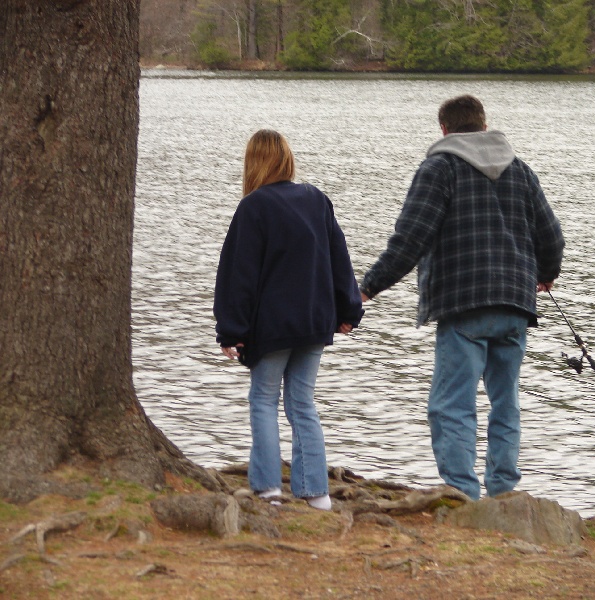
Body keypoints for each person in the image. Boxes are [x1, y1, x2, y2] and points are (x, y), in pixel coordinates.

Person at [360, 95, 565, 501]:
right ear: (484, 125)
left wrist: (367, 287)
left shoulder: (440, 167)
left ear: (444, 130)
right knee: (505, 404)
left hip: (463, 305)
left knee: (452, 406)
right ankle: (504, 492)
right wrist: (545, 275)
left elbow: (410, 239)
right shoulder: (520, 170)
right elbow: (552, 237)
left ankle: (461, 496)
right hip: (515, 305)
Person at [214, 129, 363, 510]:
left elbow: (239, 274)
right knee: (302, 403)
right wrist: (348, 310)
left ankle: (268, 489)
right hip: (314, 322)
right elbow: (339, 260)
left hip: (273, 326)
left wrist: (231, 329)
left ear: (254, 162)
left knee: (263, 399)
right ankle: (316, 493)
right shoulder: (316, 199)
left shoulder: (254, 207)